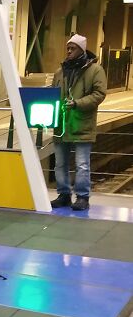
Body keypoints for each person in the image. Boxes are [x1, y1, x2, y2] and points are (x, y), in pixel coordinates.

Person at [50, 34, 107, 211]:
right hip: (62, 124)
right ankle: (64, 194)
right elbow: (53, 93)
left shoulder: (95, 70)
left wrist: (77, 103)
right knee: (60, 163)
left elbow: (99, 93)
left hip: (82, 123)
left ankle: (82, 197)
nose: (68, 51)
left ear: (82, 50)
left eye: (72, 48)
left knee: (82, 164)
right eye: (67, 47)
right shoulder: (60, 72)